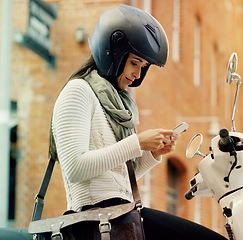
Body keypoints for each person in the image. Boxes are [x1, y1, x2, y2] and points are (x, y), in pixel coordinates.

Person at [50, 4, 227, 240]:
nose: (138, 74)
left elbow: (118, 177)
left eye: (143, 67)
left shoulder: (117, 104)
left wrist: (152, 154)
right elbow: (75, 168)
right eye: (134, 63)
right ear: (111, 52)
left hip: (122, 214)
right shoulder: (78, 91)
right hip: (98, 220)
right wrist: (137, 142)